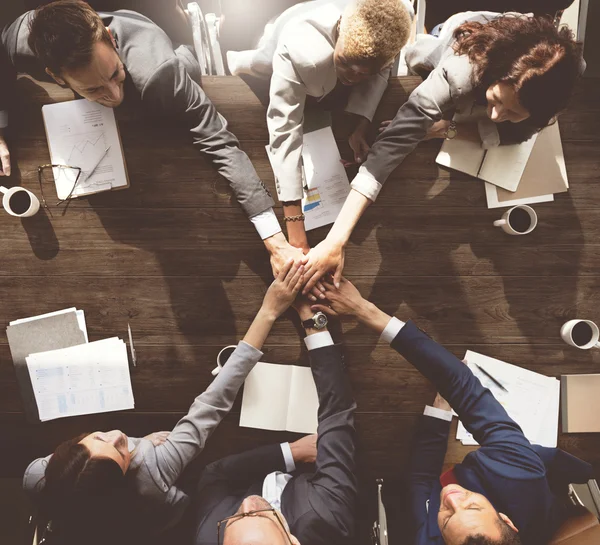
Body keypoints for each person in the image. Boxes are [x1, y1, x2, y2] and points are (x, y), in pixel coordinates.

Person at [0, 0, 302, 275]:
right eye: (93, 89)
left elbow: (220, 143)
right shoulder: (17, 43)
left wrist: (274, 241)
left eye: (115, 75)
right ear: (55, 76)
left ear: (110, 37)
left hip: (169, 65)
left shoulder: (160, 72)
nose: (114, 95)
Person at [22, 259, 306, 545]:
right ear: (123, 480)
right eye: (121, 452)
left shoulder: (36, 475)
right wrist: (269, 311)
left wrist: (138, 443)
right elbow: (212, 403)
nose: (119, 435)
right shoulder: (154, 470)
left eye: (98, 437)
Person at [301, 12, 584, 293]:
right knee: (417, 57)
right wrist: (336, 239)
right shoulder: (460, 73)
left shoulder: (561, 82)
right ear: (494, 76)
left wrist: (446, 129)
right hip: (454, 37)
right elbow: (394, 142)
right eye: (496, 100)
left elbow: (519, 134)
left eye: (513, 112)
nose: (496, 115)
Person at [311, 277, 595, 545]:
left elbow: (421, 481)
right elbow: (463, 386)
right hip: (530, 472)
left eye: (446, 520)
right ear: (507, 520)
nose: (452, 497)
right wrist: (364, 310)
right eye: (471, 505)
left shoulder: (426, 538)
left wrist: (438, 415)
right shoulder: (521, 473)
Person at [227, 0, 413, 257]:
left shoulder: (396, 22)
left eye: (363, 73)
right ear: (339, 32)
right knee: (262, 59)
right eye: (347, 62)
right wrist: (295, 228)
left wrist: (360, 124)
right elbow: (285, 128)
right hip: (277, 40)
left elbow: (383, 69)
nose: (353, 77)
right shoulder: (302, 47)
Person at [191, 297, 357, 545]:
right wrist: (312, 319)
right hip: (318, 475)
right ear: (292, 540)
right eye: (262, 516)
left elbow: (214, 475)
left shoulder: (209, 535)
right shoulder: (324, 516)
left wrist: (290, 452)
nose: (248, 503)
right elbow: (337, 411)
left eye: (236, 518)